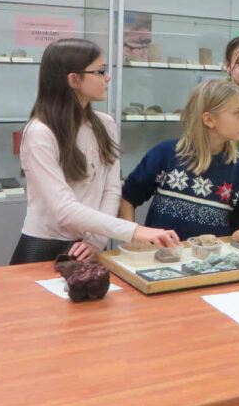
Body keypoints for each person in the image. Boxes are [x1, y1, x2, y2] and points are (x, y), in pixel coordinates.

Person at [10, 38, 178, 264]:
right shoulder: (40, 132)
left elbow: (111, 189)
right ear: (73, 79)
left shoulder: (105, 124)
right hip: (45, 245)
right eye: (100, 71)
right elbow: (64, 209)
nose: (108, 77)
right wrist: (135, 231)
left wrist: (96, 241)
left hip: (90, 246)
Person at [119, 80, 239, 240]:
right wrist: (132, 239)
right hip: (161, 253)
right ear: (209, 120)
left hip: (213, 255)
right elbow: (128, 197)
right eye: (238, 113)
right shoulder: (165, 154)